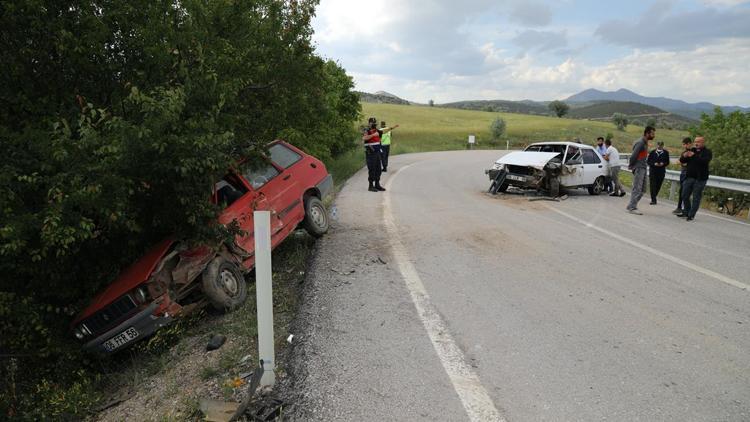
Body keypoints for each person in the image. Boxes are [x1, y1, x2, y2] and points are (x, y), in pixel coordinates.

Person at [677, 136, 712, 221]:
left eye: (699, 142)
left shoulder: (707, 152)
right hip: (689, 177)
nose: (696, 143)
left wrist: (693, 156)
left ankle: (691, 215)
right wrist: (684, 156)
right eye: (695, 141)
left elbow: (704, 162)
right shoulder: (692, 150)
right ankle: (686, 211)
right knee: (684, 195)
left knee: (696, 197)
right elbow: (683, 161)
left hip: (700, 179)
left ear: (703, 142)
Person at [626, 126, 655, 215]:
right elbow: (634, 155)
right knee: (637, 188)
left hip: (643, 167)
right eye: (652, 133)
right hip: (638, 167)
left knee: (643, 189)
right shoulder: (641, 143)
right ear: (647, 133)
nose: (654, 135)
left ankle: (631, 204)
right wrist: (631, 166)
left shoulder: (645, 143)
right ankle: (632, 207)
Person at [362, 117, 385, 192]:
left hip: (377, 152)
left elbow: (379, 140)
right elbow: (364, 138)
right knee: (372, 169)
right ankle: (370, 186)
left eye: (375, 123)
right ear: (369, 123)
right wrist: (373, 135)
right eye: (372, 123)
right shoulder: (367, 130)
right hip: (370, 153)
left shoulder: (377, 131)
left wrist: (379, 134)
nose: (374, 124)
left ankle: (377, 185)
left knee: (378, 169)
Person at [673, 137, 693, 215]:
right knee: (681, 191)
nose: (684, 146)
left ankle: (686, 209)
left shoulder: (692, 152)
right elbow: (679, 161)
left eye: (685, 144)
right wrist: (682, 162)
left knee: (686, 193)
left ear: (689, 144)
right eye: (684, 144)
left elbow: (687, 163)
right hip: (683, 173)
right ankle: (679, 207)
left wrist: (682, 162)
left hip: (688, 174)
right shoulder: (684, 152)